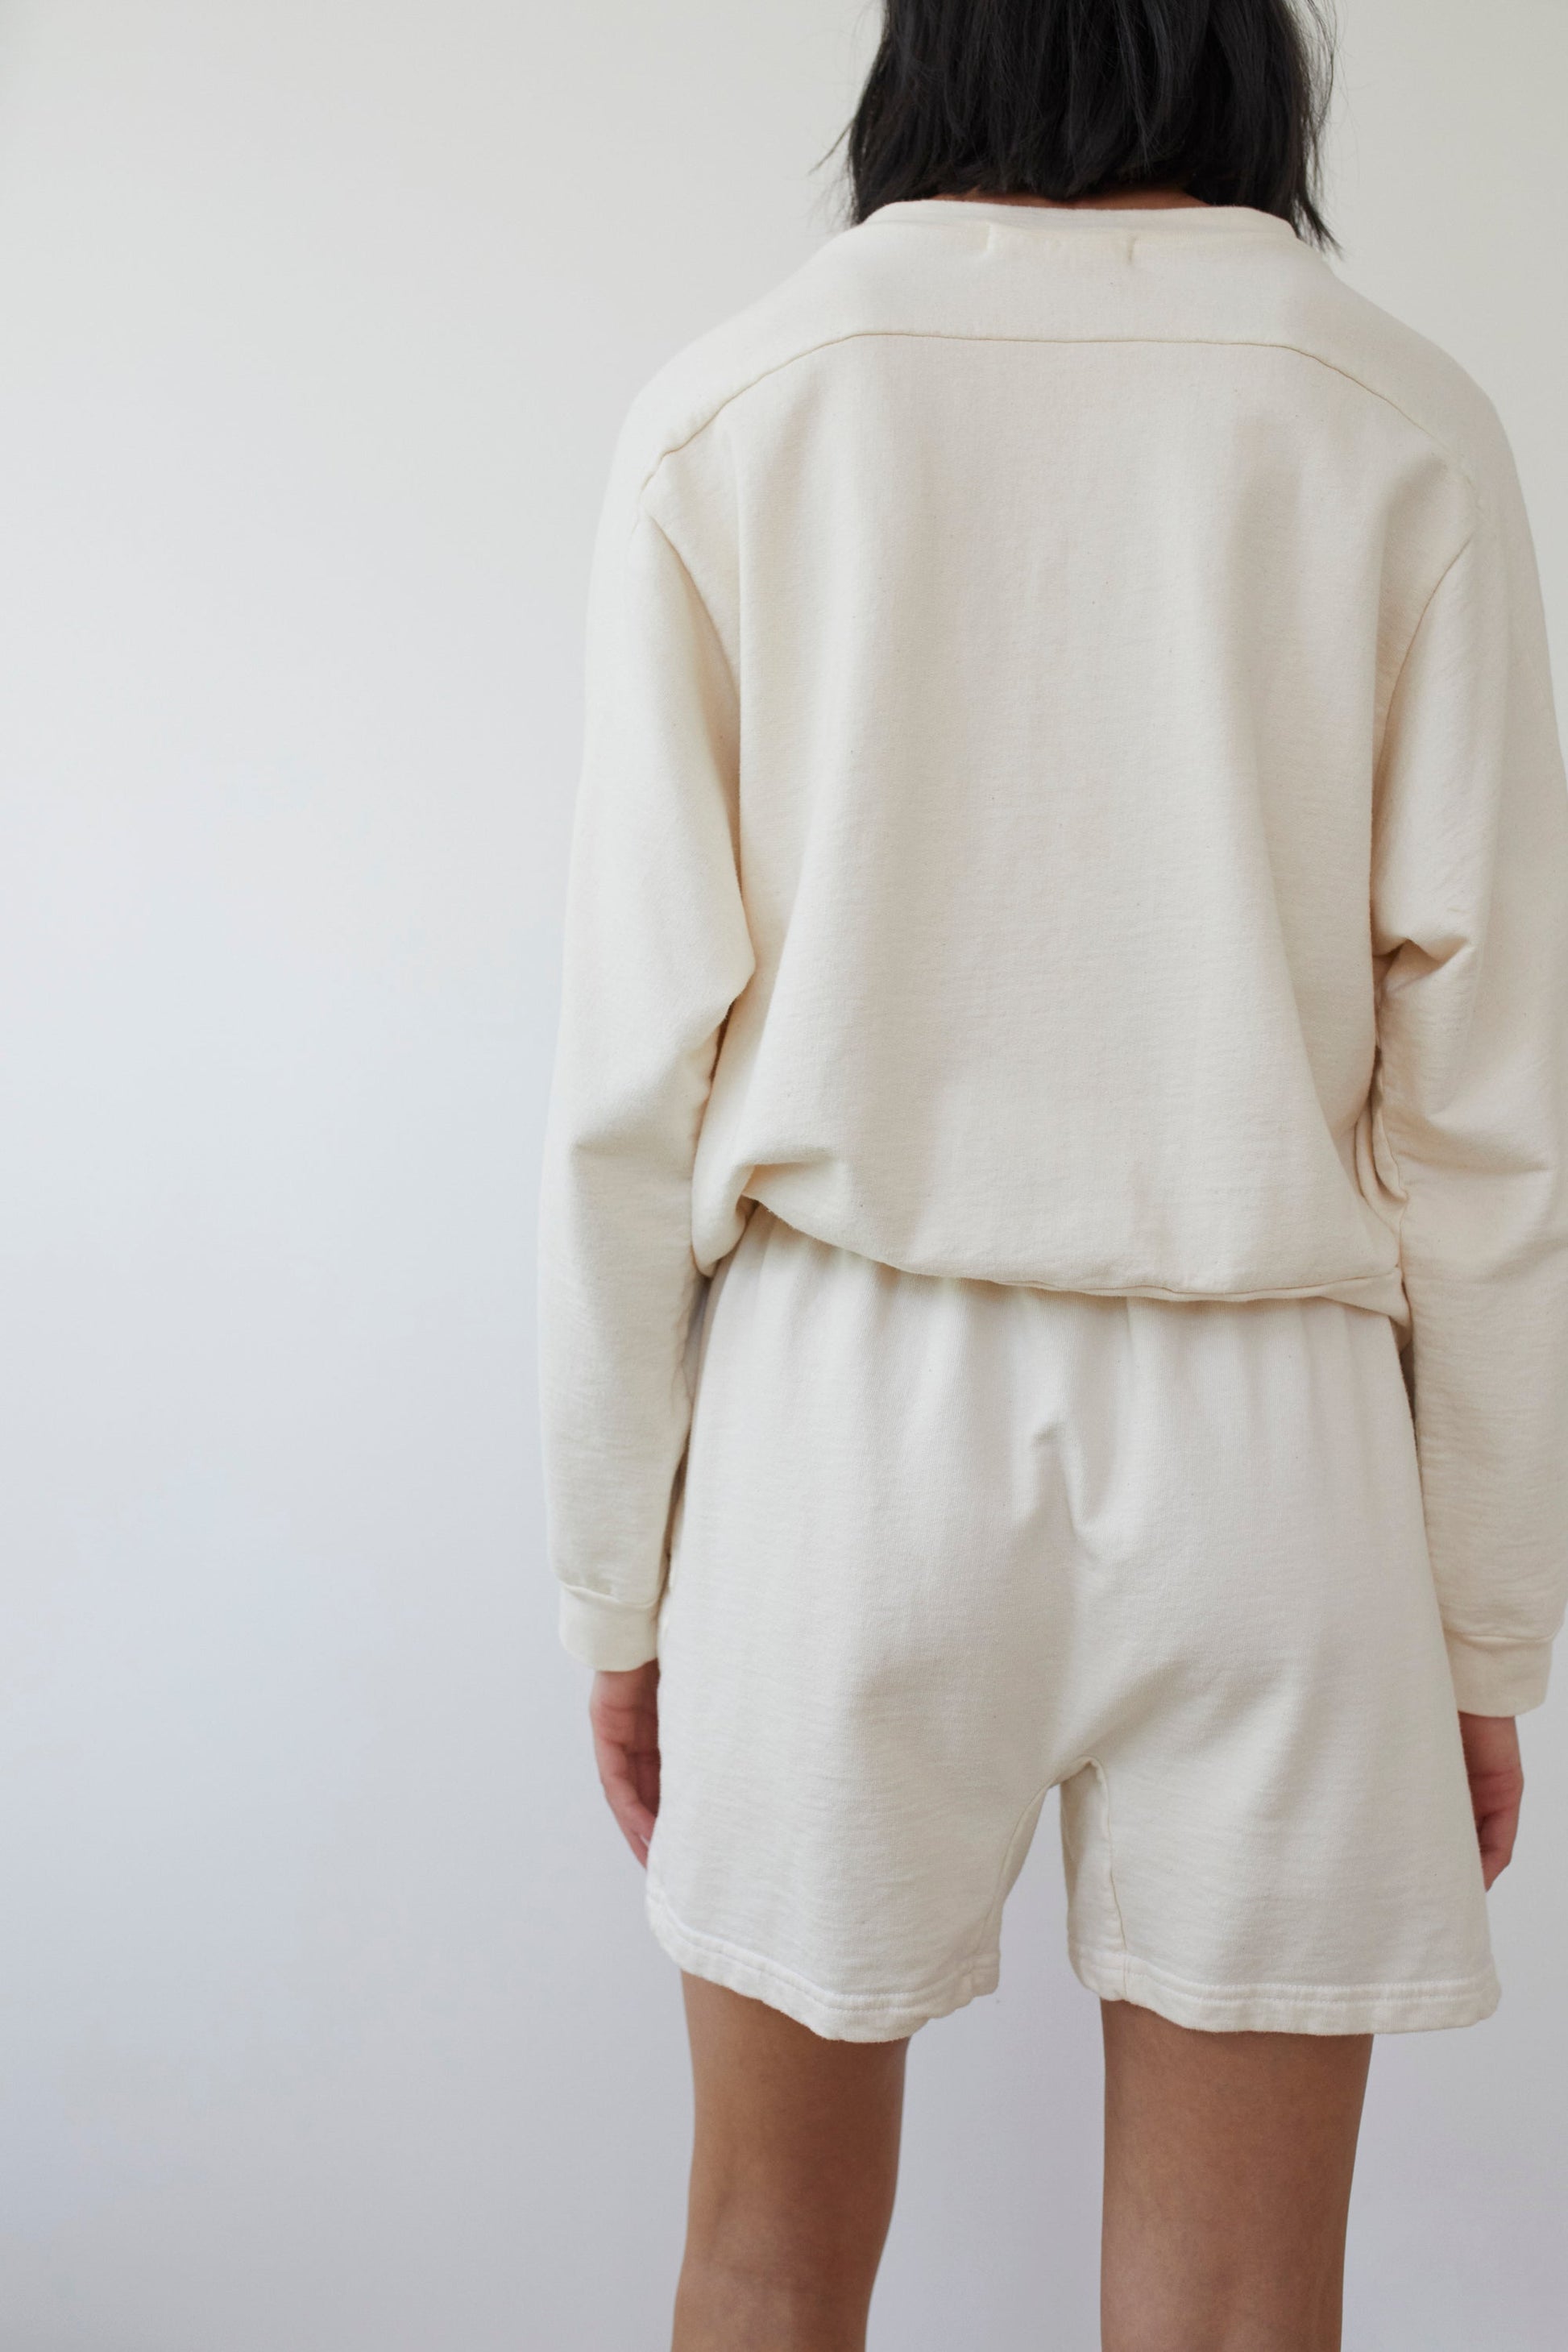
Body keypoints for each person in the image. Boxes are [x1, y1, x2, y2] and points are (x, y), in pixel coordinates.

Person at [538, 0, 1568, 2342]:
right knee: (1231, 2306)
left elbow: (628, 1079)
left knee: (763, 2260)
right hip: (1276, 1438)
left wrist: (621, 1573)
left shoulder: (741, 404)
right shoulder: (1394, 416)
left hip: (836, 1415)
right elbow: (1488, 1116)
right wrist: (1483, 1612)